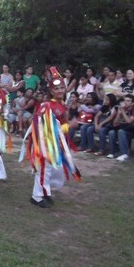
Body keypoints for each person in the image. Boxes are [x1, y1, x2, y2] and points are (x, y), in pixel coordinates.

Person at [20, 67, 81, 208]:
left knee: (53, 168)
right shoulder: (47, 106)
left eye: (62, 88)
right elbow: (46, 128)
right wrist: (69, 126)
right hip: (46, 144)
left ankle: (45, 192)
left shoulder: (62, 105)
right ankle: (36, 196)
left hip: (57, 143)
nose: (60, 90)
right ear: (51, 91)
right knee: (44, 168)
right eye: (57, 88)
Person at [106, 94, 134, 161]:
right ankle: (112, 152)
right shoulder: (121, 109)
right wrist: (118, 114)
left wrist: (123, 111)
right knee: (111, 132)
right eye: (125, 101)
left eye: (128, 101)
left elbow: (129, 121)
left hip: (132, 130)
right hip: (121, 128)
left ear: (132, 103)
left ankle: (124, 154)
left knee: (121, 131)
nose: (125, 102)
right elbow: (115, 123)